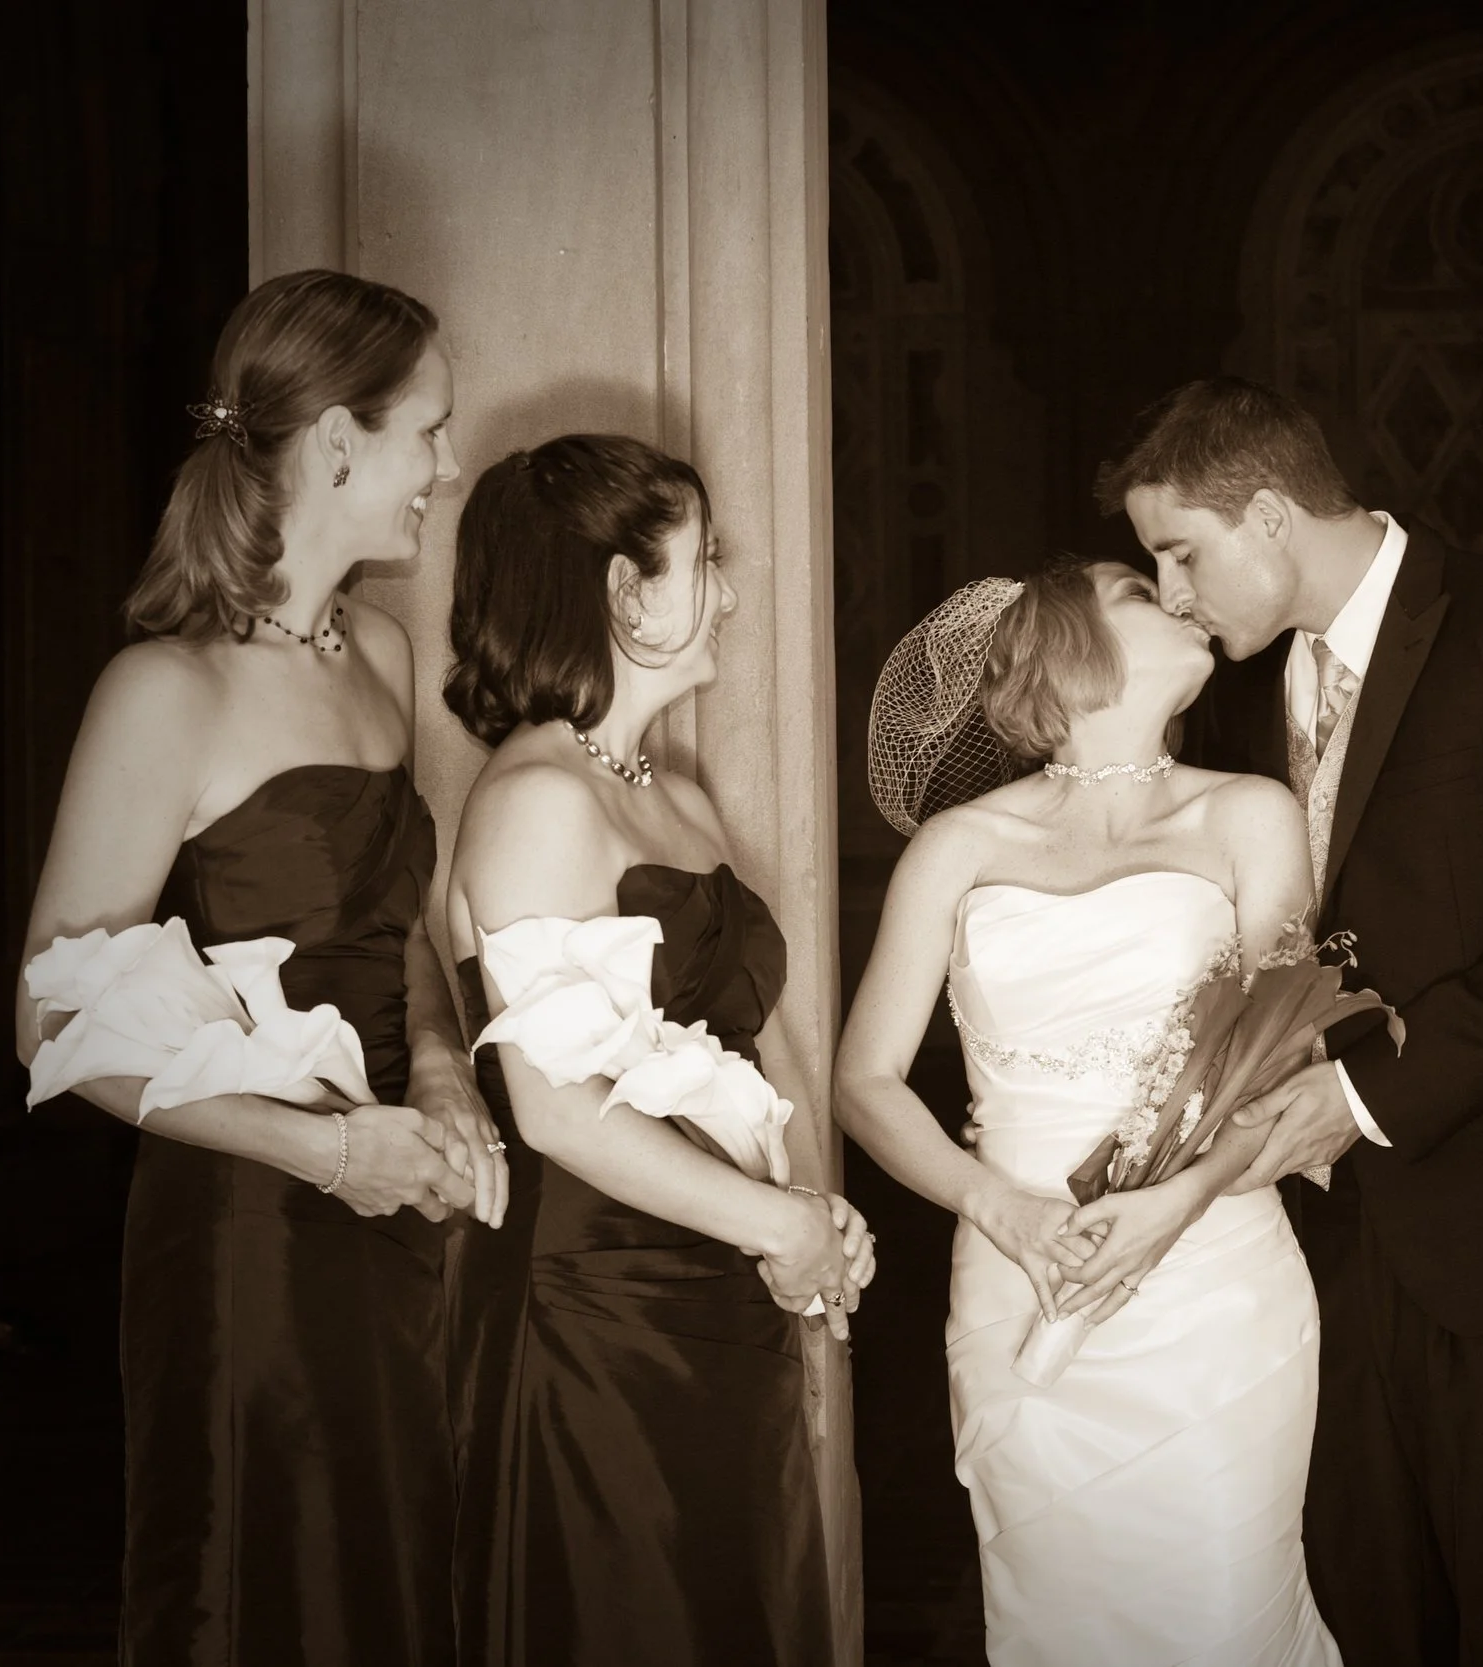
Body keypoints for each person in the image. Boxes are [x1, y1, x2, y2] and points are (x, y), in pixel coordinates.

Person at [1104, 377, 1483, 1666]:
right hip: (1311, 1251)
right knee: (1362, 1609)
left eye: (1179, 554)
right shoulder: (1238, 691)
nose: (1173, 595)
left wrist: (1359, 1099)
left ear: (1265, 515)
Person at [13, 268, 487, 1666]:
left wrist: (450, 1079)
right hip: (249, 1234)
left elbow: (407, 922)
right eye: (429, 432)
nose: (446, 467)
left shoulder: (387, 653)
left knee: (403, 1581)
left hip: (409, 1203)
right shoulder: (167, 687)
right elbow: (47, 1005)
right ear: (338, 443)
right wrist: (328, 1154)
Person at [835, 557, 1340, 1666]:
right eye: (1136, 588)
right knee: (1059, 1620)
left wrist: (1174, 1203)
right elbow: (864, 1081)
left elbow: (1277, 1050)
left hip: (1209, 1281)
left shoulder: (1250, 813)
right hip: (1020, 1278)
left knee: (1224, 1612)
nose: (1179, 595)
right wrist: (1003, 1213)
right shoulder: (958, 845)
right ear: (1069, 646)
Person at [442, 433, 867, 1666]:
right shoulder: (534, 799)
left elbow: (754, 1052)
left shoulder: (679, 798)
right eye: (709, 560)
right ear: (626, 593)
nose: (729, 590)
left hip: (720, 1278)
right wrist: (774, 1225)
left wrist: (810, 1213)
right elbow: (557, 1108)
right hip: (595, 1301)